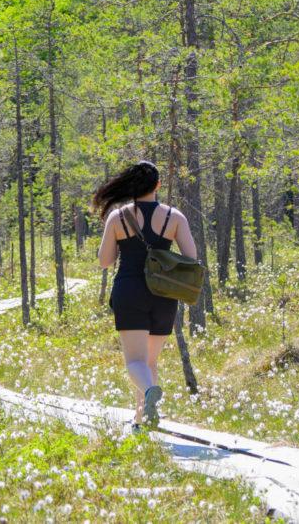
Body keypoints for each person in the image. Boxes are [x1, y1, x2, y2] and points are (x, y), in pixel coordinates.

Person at [92, 160, 197, 430]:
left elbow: (105, 261)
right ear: (157, 185)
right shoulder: (175, 217)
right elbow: (191, 258)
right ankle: (141, 421)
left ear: (131, 185)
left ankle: (150, 395)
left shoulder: (118, 217)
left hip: (130, 292)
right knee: (149, 362)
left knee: (135, 362)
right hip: (163, 294)